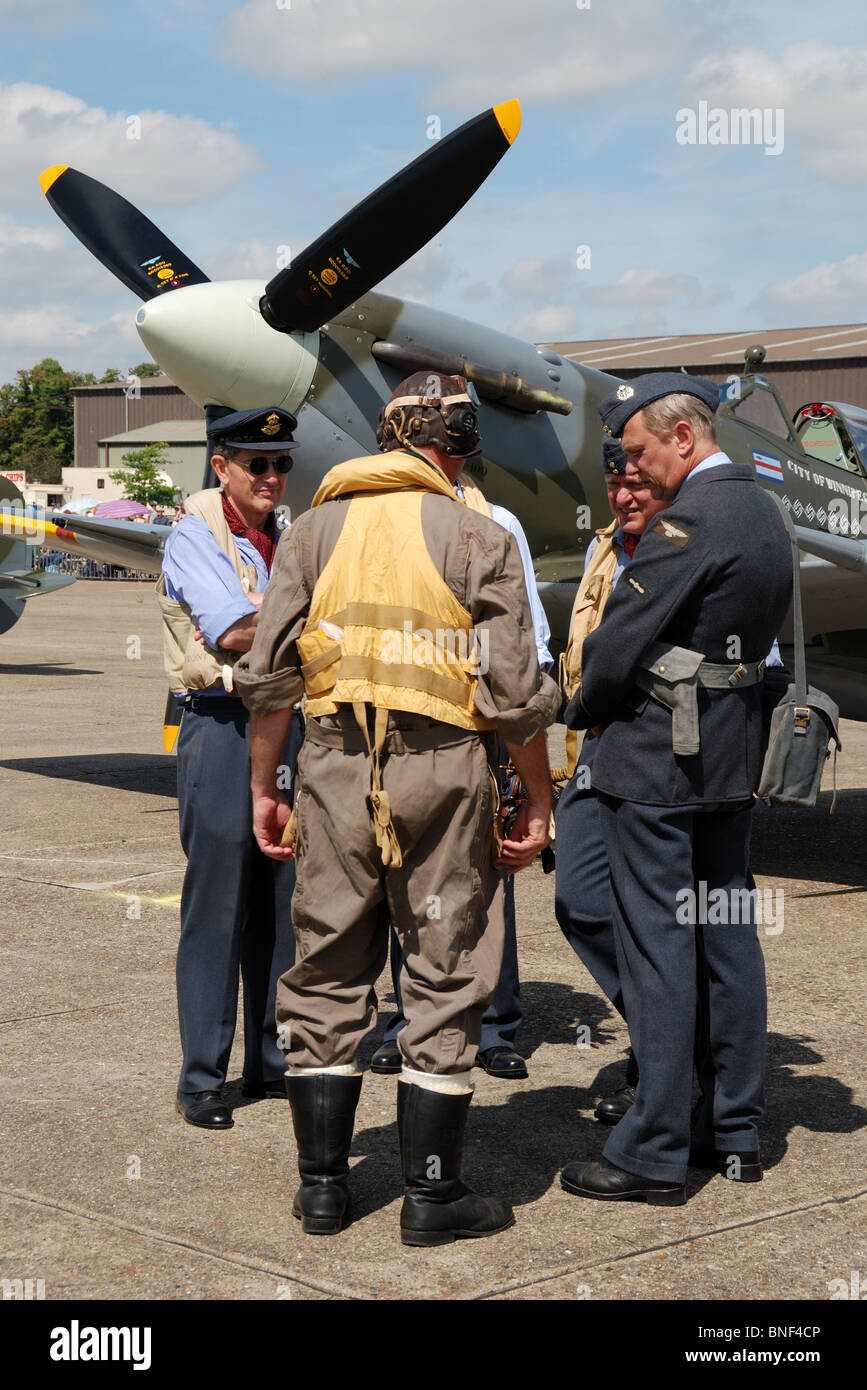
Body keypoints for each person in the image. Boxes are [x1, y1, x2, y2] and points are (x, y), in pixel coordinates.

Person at [235, 372, 559, 1245]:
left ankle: (323, 1191)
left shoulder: (308, 533)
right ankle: (430, 1198)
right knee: (445, 969)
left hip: (332, 766)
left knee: (328, 967)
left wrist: (266, 787)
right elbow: (514, 693)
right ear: (452, 437)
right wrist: (537, 793)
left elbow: (269, 681)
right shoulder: (478, 534)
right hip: (446, 774)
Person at [560, 372, 793, 1205]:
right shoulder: (763, 508)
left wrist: (576, 706)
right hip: (728, 765)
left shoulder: (692, 519)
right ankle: (732, 1130)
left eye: (639, 452)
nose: (635, 470)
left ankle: (653, 1148)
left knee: (660, 950)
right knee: (727, 938)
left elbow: (616, 645)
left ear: (683, 438)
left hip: (657, 768)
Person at [372, 469, 553, 1081]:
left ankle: (495, 1023)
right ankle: (406, 1020)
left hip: (482, 725)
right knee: (404, 875)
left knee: (488, 878)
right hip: (399, 725)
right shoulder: (385, 519)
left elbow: (529, 637)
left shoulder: (497, 521)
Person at [159, 405, 302, 1130]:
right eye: (258, 463)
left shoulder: (286, 537)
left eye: (282, 464)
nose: (273, 476)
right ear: (222, 466)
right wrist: (307, 616)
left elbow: (260, 622)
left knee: (283, 900)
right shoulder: (193, 535)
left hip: (289, 720)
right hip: (221, 725)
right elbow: (233, 631)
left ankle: (272, 1060)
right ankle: (203, 1077)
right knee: (217, 904)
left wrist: (274, 612)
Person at [555, 438, 669, 1121]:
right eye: (615, 485)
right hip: (598, 746)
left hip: (666, 756)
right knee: (583, 903)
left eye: (638, 484)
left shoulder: (693, 544)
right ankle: (671, 1037)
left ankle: (663, 1066)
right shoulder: (604, 547)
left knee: (663, 923)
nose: (625, 497)